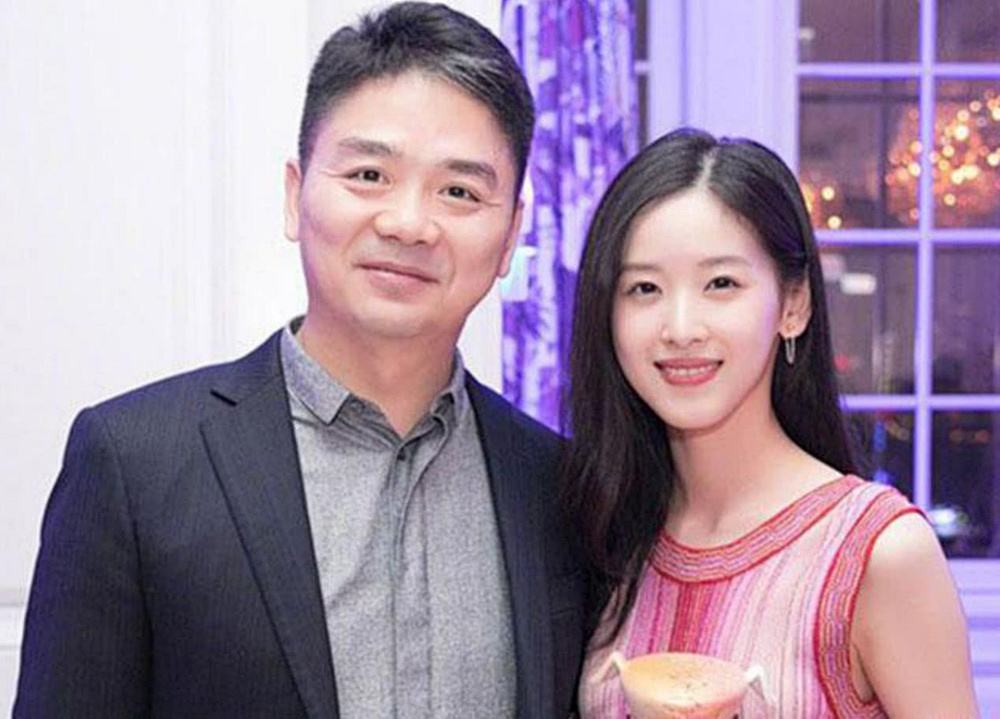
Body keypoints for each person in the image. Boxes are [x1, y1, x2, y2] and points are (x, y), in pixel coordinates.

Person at [15, 4, 586, 717]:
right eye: (369, 174)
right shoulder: (134, 464)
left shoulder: (557, 487)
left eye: (459, 192)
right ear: (296, 194)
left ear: (509, 236)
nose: (408, 223)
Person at [563, 128, 978, 717]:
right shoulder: (608, 535)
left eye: (721, 284)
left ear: (793, 305)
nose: (680, 328)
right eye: (644, 288)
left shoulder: (877, 553)